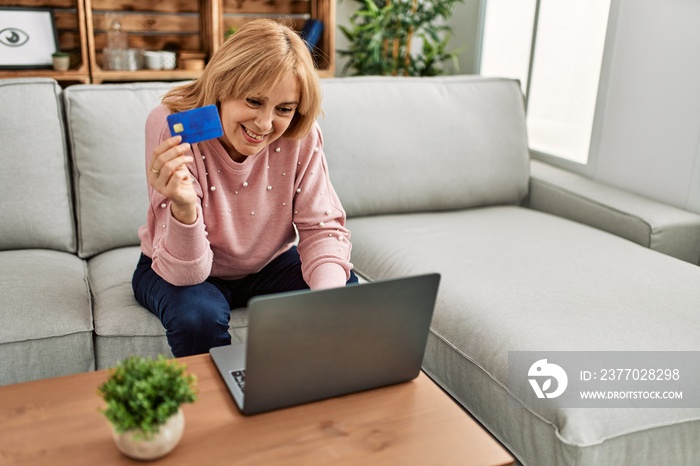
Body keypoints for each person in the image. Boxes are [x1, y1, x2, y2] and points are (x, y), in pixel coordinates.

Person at [132, 19, 357, 357]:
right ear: (222, 85)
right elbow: (186, 272)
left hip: (268, 265)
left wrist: (326, 301)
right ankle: (216, 404)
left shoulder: (299, 134)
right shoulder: (172, 124)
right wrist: (185, 208)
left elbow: (322, 228)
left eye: (283, 108)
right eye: (253, 101)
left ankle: (293, 386)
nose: (265, 124)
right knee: (198, 317)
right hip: (181, 266)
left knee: (341, 287)